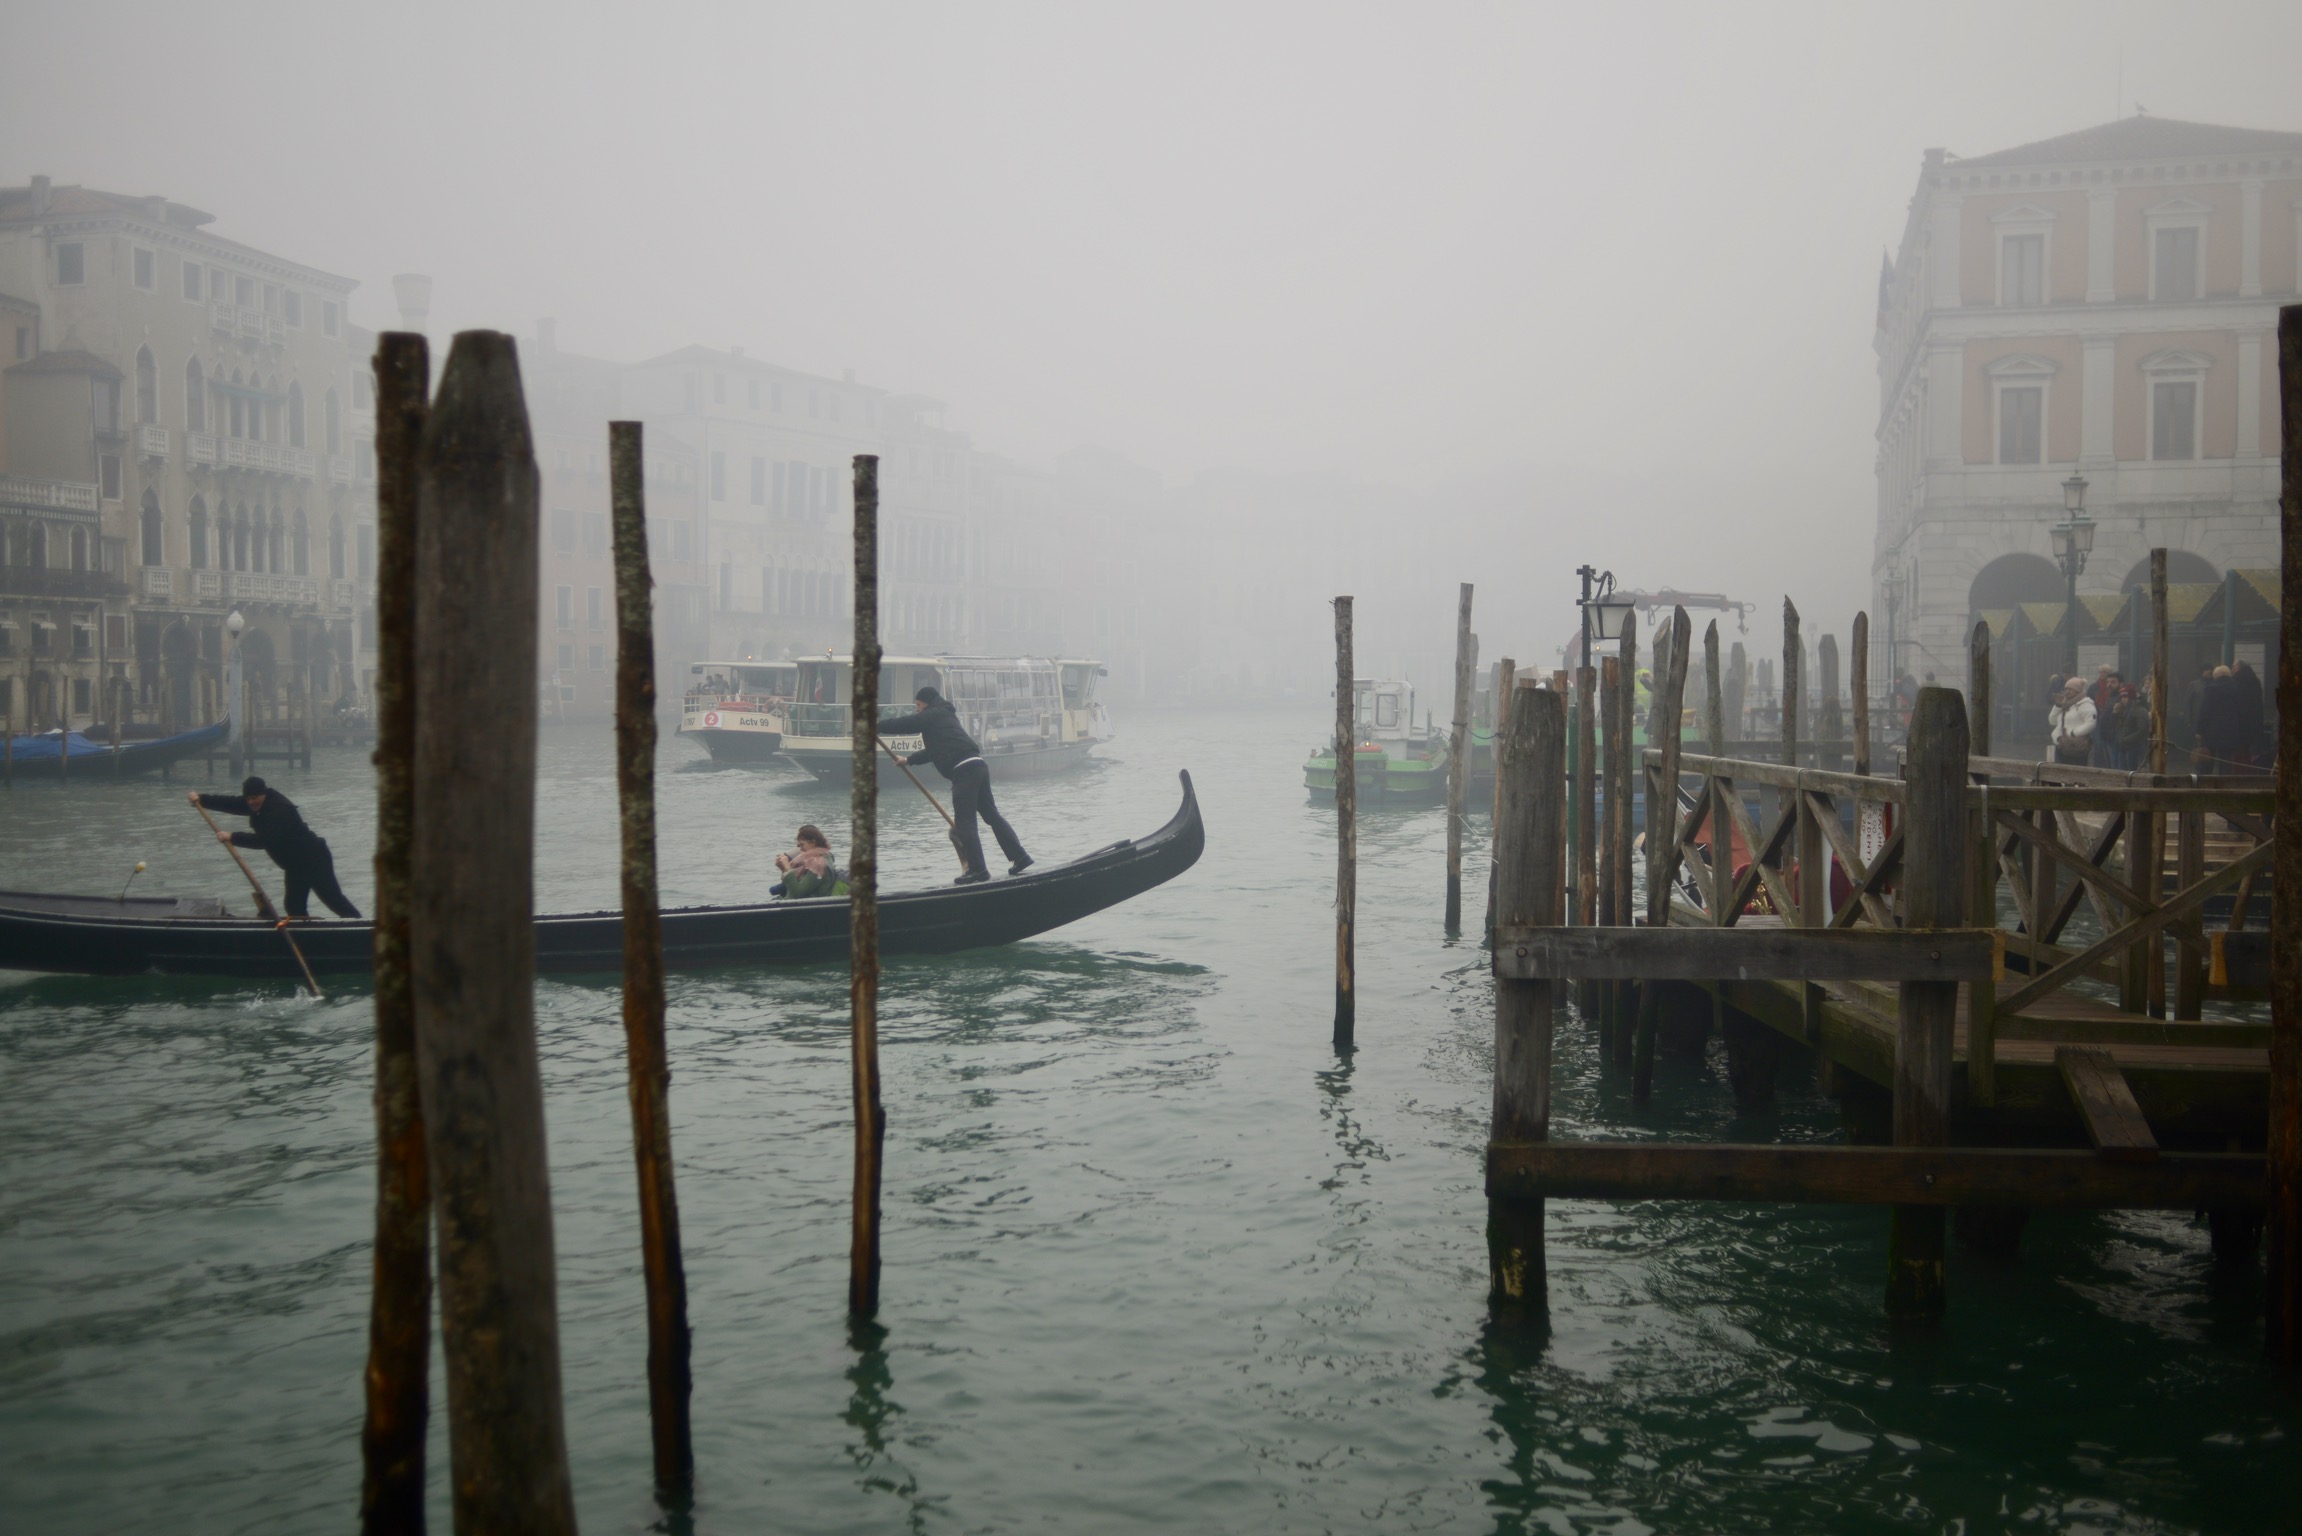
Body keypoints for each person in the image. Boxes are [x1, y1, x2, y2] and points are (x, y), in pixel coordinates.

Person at [881, 685, 1031, 885]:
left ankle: (978, 870)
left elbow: (908, 724)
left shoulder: (933, 714)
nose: (916, 709)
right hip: (978, 766)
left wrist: (876, 726)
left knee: (965, 823)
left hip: (964, 771)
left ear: (926, 703)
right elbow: (933, 751)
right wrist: (908, 761)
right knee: (991, 815)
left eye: (918, 705)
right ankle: (1020, 857)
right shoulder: (944, 717)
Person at [190, 777, 361, 919]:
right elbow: (232, 803)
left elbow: (265, 840)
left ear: (264, 794)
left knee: (332, 899)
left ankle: (363, 929)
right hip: (295, 864)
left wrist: (233, 837)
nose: (251, 802)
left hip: (314, 859)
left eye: (254, 798)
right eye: (248, 799)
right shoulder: (253, 802)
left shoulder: (279, 809)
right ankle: (303, 935)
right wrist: (202, 799)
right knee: (293, 906)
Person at [770, 823, 847, 898]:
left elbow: (797, 893)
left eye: (802, 845)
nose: (800, 848)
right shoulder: (816, 858)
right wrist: (784, 869)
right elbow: (790, 888)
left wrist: (788, 868)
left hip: (807, 908)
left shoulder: (818, 864)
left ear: (813, 842)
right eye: (799, 845)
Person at [2046, 677, 2096, 766]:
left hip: (2076, 747)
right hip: (2060, 745)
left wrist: (2073, 733)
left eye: (2071, 689)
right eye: (2066, 689)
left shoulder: (2085, 704)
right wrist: (2058, 706)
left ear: (2078, 691)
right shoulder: (2065, 704)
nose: (2067, 692)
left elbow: (2091, 723)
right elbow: (2052, 721)